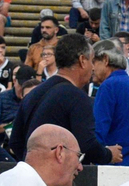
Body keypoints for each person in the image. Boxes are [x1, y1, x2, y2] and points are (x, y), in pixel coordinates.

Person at [9, 35, 121, 166]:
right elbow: (87, 145)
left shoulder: (33, 94)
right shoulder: (77, 97)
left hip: (30, 174)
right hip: (56, 179)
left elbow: (15, 142)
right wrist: (109, 154)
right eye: (91, 61)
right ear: (82, 61)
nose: (93, 68)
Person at [89, 40, 129, 167]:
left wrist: (94, 156)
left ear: (105, 60)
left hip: (116, 164)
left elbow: (99, 129)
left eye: (93, 62)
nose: (91, 68)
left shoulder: (108, 86)